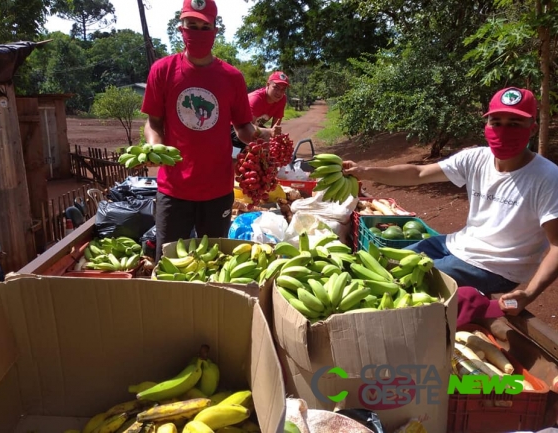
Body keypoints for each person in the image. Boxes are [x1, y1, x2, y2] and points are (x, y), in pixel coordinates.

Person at [343, 87, 558, 316]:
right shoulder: (476, 158)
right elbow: (418, 173)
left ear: (532, 129)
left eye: (514, 123)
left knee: (399, 282)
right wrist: (365, 171)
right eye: (496, 122)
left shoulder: (547, 178)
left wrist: (529, 293)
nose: (503, 130)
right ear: (486, 125)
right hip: (455, 244)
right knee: (382, 265)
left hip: (495, 267)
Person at [141, 0, 278, 262]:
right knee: (169, 262)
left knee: (214, 262)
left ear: (216, 29)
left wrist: (263, 137)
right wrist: (153, 145)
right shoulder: (163, 70)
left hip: (217, 191)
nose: (198, 32)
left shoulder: (232, 77)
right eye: (191, 25)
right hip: (173, 189)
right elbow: (154, 123)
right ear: (180, 28)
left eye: (205, 27)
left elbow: (243, 128)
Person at [231, 71, 290, 153]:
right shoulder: (256, 100)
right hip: (235, 129)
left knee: (270, 152)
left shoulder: (282, 99)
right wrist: (269, 132)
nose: (279, 93)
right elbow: (245, 128)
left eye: (283, 89)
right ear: (268, 85)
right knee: (239, 157)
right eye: (276, 87)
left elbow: (275, 128)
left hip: (254, 126)